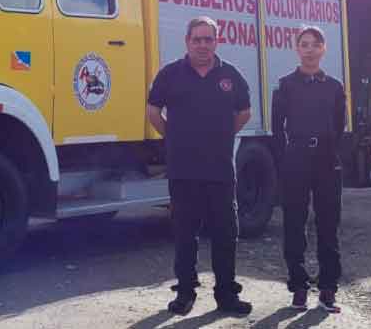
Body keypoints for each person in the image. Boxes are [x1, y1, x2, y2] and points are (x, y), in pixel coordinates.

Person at [147, 16, 253, 317]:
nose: (203, 45)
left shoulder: (230, 75)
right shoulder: (171, 74)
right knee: (184, 233)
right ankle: (185, 293)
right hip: (183, 169)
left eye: (208, 39)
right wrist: (173, 136)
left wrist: (220, 135)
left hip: (219, 169)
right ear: (187, 41)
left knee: (225, 234)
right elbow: (153, 111)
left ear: (216, 42)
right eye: (197, 39)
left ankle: (226, 295)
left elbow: (244, 112)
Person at [271, 26, 346, 313]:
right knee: (294, 223)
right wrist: (285, 158)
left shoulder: (334, 87)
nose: (310, 49)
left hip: (327, 159)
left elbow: (340, 125)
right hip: (296, 159)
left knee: (328, 224)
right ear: (297, 49)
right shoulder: (285, 85)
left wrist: (332, 151)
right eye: (304, 44)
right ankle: (299, 287)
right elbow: (277, 127)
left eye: (315, 44)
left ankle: (328, 289)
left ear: (323, 49)